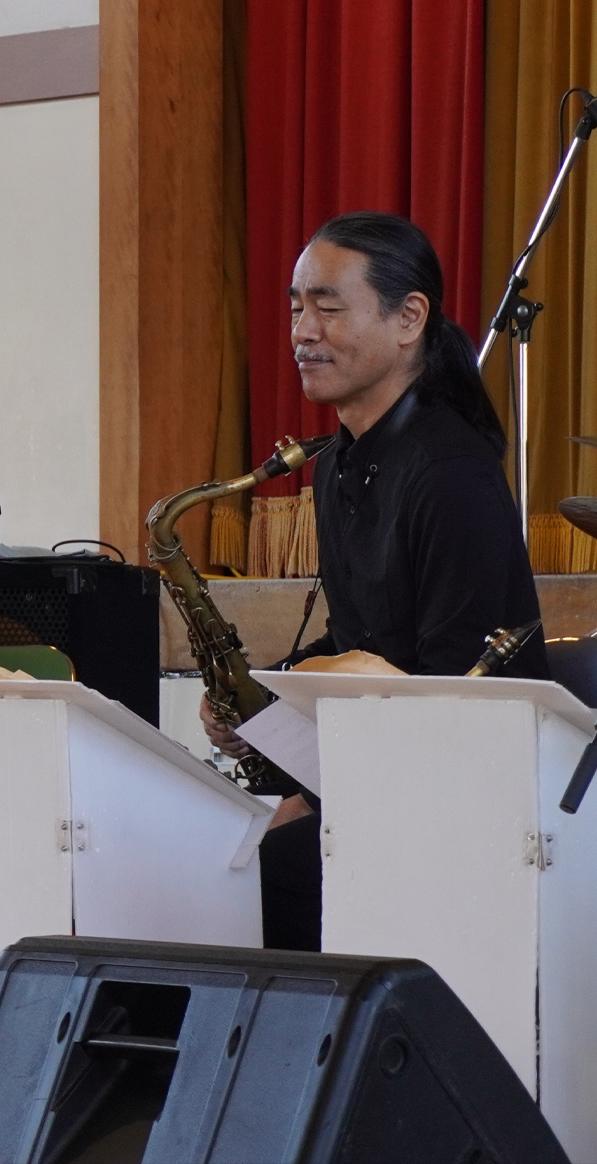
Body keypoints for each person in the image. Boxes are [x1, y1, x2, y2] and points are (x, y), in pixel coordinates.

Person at [204, 212, 539, 950]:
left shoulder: (450, 474)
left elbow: (459, 688)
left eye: (328, 307)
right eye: (296, 307)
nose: (302, 331)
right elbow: (360, 641)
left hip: (468, 806)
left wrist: (320, 801)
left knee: (254, 880)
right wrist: (255, 701)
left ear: (408, 318)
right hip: (380, 783)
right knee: (197, 852)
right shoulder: (336, 466)